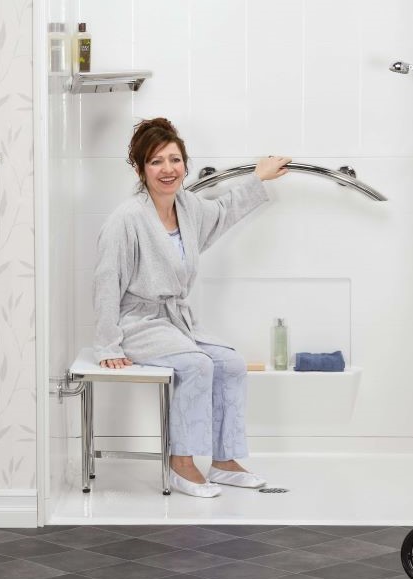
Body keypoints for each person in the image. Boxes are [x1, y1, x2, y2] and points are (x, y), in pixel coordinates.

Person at [92, 117, 290, 498]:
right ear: (139, 168)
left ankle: (224, 461)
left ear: (185, 163)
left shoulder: (188, 206)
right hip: (137, 322)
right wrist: (108, 345)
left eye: (174, 160)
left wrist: (258, 176)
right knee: (198, 365)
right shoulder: (127, 219)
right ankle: (180, 463)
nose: (168, 170)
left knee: (229, 363)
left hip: (175, 320)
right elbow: (105, 281)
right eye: (155, 162)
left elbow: (225, 210)